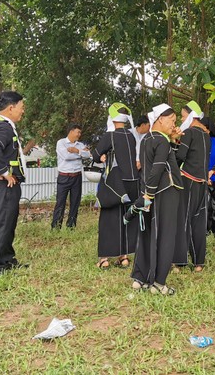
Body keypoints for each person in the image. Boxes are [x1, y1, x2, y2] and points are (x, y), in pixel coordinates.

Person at [131, 103, 183, 295]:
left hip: (152, 191)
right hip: (165, 191)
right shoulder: (161, 141)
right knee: (165, 235)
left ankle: (141, 278)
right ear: (160, 118)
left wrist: (173, 140)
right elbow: (158, 168)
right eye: (172, 120)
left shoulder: (147, 139)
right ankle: (159, 282)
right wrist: (149, 194)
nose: (174, 125)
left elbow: (151, 168)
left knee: (148, 233)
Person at [0, 91, 27, 277]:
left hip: (8, 186)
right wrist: (5, 173)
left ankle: (7, 260)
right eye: (21, 107)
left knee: (9, 223)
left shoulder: (5, 126)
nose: (22, 112)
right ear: (11, 108)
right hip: (2, 185)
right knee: (1, 224)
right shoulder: (3, 128)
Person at [92, 104, 139, 268]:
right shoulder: (131, 136)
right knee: (127, 218)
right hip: (133, 183)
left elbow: (96, 156)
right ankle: (124, 257)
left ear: (112, 118)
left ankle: (104, 259)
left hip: (114, 184)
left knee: (108, 219)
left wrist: (103, 155)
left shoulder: (110, 136)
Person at [173, 101, 211, 271]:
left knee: (183, 220)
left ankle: (180, 262)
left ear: (191, 116)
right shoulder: (206, 135)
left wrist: (171, 148)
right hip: (202, 183)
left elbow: (181, 156)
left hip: (188, 180)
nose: (182, 119)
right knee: (198, 221)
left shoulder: (189, 133)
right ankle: (198, 262)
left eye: (182, 116)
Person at [51, 123, 92, 230]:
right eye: (78, 132)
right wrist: (81, 154)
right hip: (64, 177)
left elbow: (89, 155)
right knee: (60, 202)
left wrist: (77, 151)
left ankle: (71, 227)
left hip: (77, 177)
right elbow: (66, 156)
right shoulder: (61, 143)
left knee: (75, 203)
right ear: (71, 131)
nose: (79, 134)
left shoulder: (80, 145)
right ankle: (56, 227)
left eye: (80, 132)